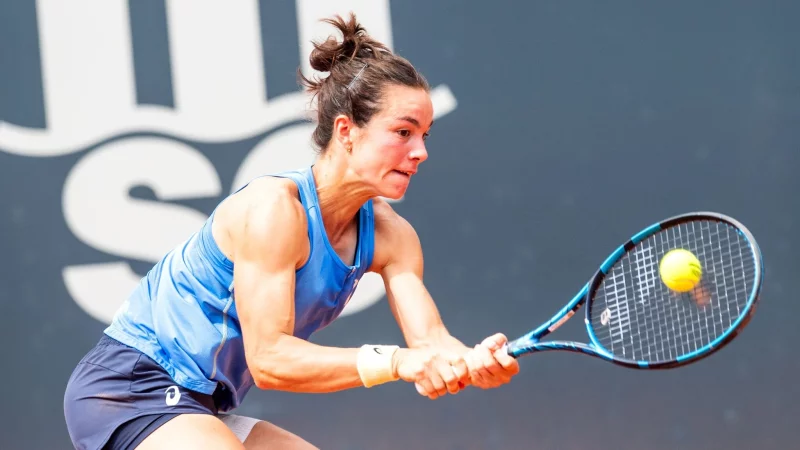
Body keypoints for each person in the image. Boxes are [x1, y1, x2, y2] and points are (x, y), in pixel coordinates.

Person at [63, 13, 520, 450]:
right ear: (347, 131)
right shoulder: (274, 211)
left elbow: (431, 344)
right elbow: (270, 361)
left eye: (425, 135)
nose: (420, 152)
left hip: (199, 405)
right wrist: (398, 362)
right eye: (403, 132)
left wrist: (471, 362)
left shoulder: (392, 236)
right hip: (131, 388)